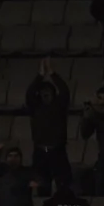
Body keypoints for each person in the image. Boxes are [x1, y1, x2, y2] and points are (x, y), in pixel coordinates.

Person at [26, 58, 71, 196]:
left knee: (63, 185)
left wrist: (52, 74)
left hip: (58, 150)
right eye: (42, 92)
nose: (45, 94)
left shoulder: (59, 106)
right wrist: (40, 75)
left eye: (48, 91)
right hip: (40, 152)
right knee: (42, 186)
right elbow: (29, 94)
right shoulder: (35, 107)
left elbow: (64, 91)